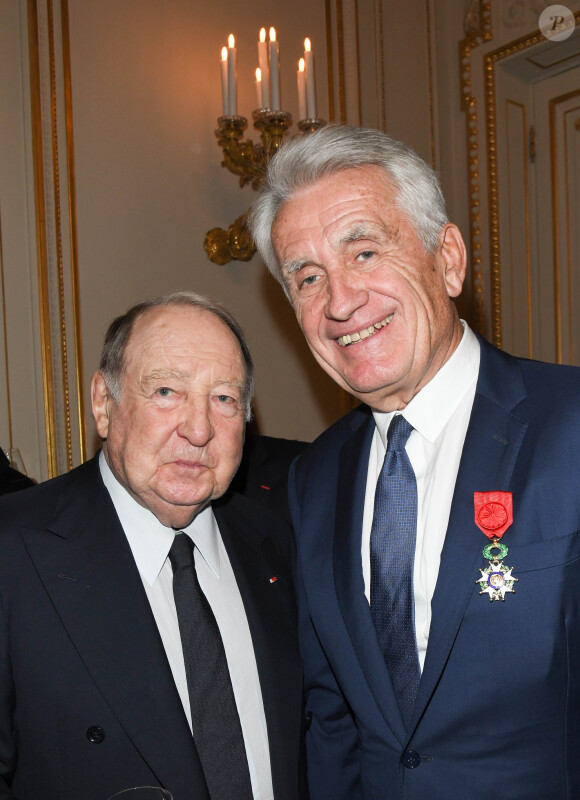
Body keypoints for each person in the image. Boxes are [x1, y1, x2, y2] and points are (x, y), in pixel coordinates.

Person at [248, 125, 580, 799]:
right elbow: (331, 716)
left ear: (448, 259)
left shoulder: (569, 422)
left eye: (365, 252)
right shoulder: (314, 477)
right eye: (308, 278)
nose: (340, 302)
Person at [0, 291, 307, 800]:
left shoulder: (281, 544)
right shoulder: (14, 551)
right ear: (103, 403)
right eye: (166, 391)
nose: (199, 428)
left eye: (224, 399)